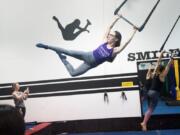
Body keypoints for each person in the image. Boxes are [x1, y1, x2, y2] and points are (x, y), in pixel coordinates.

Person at [36, 15, 137, 77]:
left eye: (111, 35)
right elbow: (109, 27)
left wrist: (134, 31)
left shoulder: (115, 51)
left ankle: (62, 58)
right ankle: (47, 46)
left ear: (116, 39)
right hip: (87, 55)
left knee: (73, 74)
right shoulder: (104, 41)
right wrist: (116, 19)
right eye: (109, 34)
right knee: (68, 51)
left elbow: (126, 42)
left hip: (89, 65)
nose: (109, 35)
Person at [140, 51, 174, 131]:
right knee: (150, 110)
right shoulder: (162, 75)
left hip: (149, 92)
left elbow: (158, 62)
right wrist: (171, 59)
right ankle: (144, 123)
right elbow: (168, 66)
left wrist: (161, 54)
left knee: (149, 107)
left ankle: (145, 120)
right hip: (155, 94)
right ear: (162, 71)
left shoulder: (155, 73)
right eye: (164, 70)